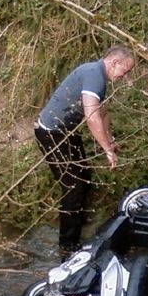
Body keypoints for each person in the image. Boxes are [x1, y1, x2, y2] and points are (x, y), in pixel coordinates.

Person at [34, 45, 135, 260]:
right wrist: (107, 150)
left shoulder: (97, 77)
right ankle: (67, 246)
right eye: (124, 72)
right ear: (114, 62)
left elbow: (102, 113)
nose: (124, 77)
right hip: (51, 133)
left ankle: (77, 219)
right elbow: (91, 117)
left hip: (65, 131)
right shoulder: (94, 74)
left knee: (84, 176)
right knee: (72, 186)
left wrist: (110, 140)